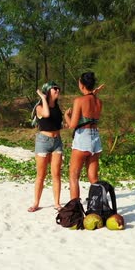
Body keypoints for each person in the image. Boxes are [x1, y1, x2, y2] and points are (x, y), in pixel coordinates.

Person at [64, 72, 103, 200]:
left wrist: (66, 116)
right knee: (93, 177)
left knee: (74, 175)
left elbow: (72, 125)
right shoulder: (98, 101)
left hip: (83, 138)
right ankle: (98, 205)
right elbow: (90, 111)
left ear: (81, 84)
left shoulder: (79, 100)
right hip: (95, 137)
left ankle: (75, 208)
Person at [28, 81, 65, 212]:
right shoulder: (39, 107)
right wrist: (43, 98)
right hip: (43, 142)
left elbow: (58, 122)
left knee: (56, 174)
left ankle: (57, 203)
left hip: (57, 142)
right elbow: (46, 114)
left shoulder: (57, 106)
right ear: (48, 91)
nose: (57, 91)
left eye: (58, 89)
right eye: (55, 89)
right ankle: (36, 203)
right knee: (41, 175)